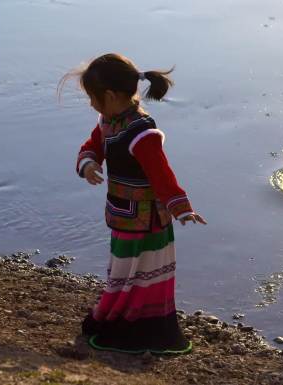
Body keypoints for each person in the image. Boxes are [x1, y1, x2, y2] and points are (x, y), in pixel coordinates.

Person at [61, 53, 206, 354]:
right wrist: (88, 164)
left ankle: (136, 324)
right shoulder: (109, 121)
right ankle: (116, 316)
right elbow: (93, 146)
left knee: (138, 271)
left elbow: (162, 175)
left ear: (111, 96)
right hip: (122, 215)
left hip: (149, 221)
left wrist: (182, 208)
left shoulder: (142, 133)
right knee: (123, 270)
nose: (91, 104)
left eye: (92, 98)